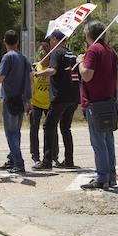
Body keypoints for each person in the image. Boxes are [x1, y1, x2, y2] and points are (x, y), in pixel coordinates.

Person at [0, 30, 32, 174]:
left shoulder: (7, 57)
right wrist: (29, 100)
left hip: (10, 100)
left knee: (11, 133)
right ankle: (12, 159)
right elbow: (30, 79)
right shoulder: (23, 58)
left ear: (5, 42)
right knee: (16, 132)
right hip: (21, 100)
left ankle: (18, 163)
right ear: (17, 42)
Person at [78, 20, 118, 190]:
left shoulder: (92, 50)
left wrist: (80, 61)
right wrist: (114, 97)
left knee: (98, 141)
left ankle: (102, 177)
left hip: (95, 103)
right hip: (109, 101)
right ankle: (111, 175)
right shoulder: (111, 51)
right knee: (108, 140)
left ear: (89, 35)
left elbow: (87, 75)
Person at [35, 30, 80, 170]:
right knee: (66, 128)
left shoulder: (57, 52)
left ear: (55, 39)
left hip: (61, 96)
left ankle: (47, 161)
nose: (50, 42)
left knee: (48, 126)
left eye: (50, 40)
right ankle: (69, 160)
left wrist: (37, 73)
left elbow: (53, 70)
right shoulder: (73, 54)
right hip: (74, 95)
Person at [29, 60, 51, 166]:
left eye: (43, 51)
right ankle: (35, 155)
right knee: (34, 129)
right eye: (39, 51)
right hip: (36, 102)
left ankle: (53, 156)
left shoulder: (51, 67)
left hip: (48, 103)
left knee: (51, 130)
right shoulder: (35, 67)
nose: (41, 54)